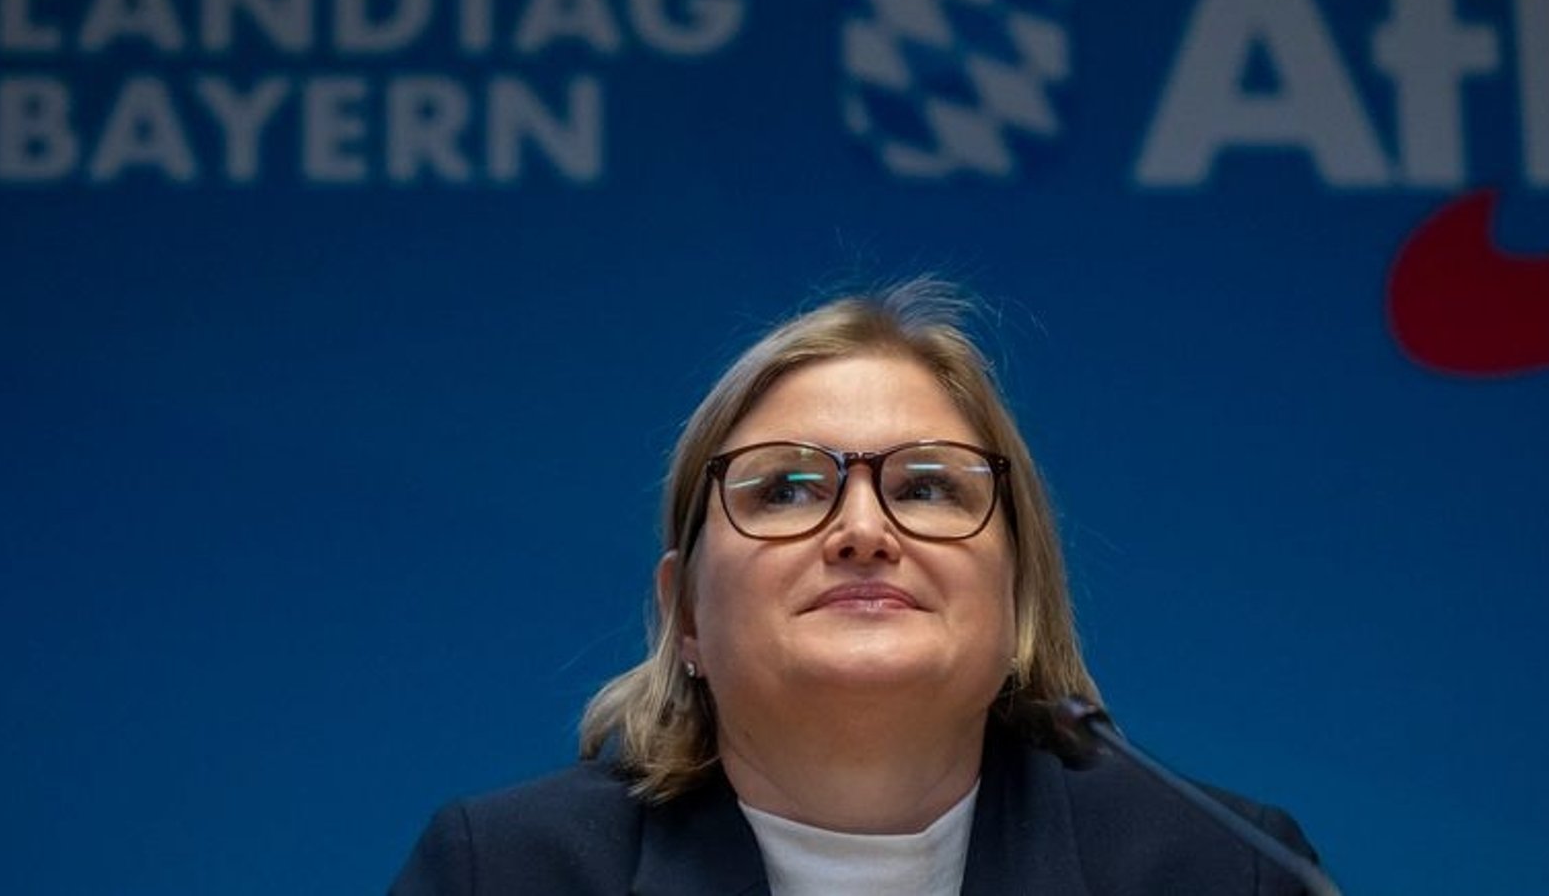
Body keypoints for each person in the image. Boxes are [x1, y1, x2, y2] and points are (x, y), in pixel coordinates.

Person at [391, 280, 1321, 895]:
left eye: (927, 485)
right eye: (787, 488)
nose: (864, 531)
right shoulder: (505, 874)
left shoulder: (1221, 871)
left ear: (1019, 601)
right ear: (685, 616)